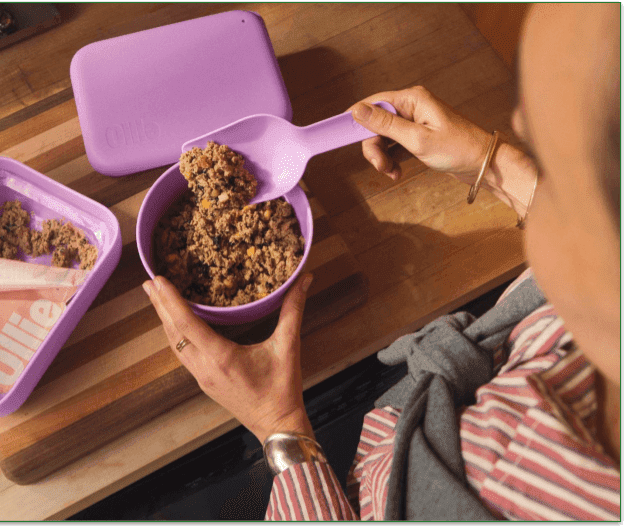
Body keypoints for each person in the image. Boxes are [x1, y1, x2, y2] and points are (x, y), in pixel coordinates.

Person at [141, 3, 620, 520]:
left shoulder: (523, 488)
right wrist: (502, 165)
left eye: (547, 153)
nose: (515, 130)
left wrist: (279, 423)